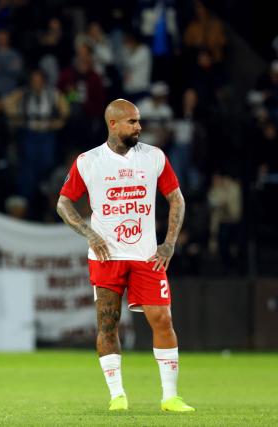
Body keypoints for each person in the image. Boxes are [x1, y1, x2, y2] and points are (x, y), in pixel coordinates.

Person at [56, 99, 194, 413]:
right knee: (108, 323)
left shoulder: (154, 157)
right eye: (132, 121)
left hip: (147, 256)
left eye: (138, 121)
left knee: (162, 320)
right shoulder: (89, 161)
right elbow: (63, 203)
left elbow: (177, 199)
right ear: (113, 124)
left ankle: (170, 397)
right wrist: (90, 234)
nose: (139, 126)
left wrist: (169, 242)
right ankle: (117, 395)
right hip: (106, 257)